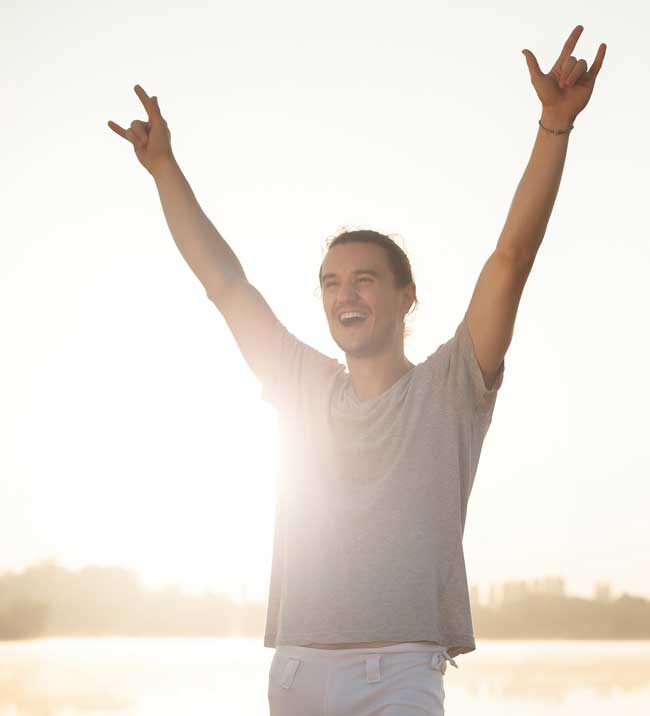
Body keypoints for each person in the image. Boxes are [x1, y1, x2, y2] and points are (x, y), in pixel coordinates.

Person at [107, 29, 605, 713]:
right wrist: (164, 167)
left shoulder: (451, 387)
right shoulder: (302, 385)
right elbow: (225, 284)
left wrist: (553, 127)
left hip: (399, 669)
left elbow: (510, 258)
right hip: (296, 670)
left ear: (407, 298)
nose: (346, 293)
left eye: (365, 279)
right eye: (332, 282)